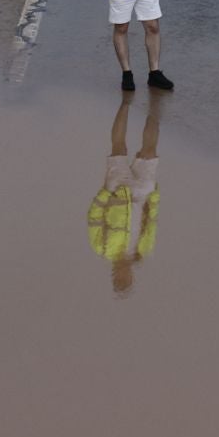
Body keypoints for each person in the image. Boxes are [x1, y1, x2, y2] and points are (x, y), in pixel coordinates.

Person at [88, 92, 161, 294]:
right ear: (131, 276)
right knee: (150, 151)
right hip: (142, 195)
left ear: (113, 275)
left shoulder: (102, 249)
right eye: (126, 278)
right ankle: (156, 106)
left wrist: (105, 193)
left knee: (119, 147)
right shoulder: (142, 252)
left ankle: (126, 102)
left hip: (117, 191)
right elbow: (151, 223)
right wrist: (154, 198)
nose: (123, 274)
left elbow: (94, 216)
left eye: (119, 278)